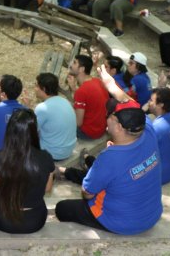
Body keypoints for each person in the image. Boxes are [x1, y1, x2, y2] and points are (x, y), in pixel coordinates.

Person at [55, 65, 163, 235]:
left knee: (62, 208)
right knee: (101, 175)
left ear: (118, 126)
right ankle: (72, 170)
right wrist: (108, 81)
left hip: (120, 222)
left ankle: (74, 170)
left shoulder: (110, 157)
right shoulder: (147, 129)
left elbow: (87, 194)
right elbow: (125, 98)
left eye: (110, 115)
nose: (107, 117)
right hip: (150, 214)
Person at [0, 108, 55, 234]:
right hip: (35, 221)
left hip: (3, 220)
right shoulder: (46, 157)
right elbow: (47, 188)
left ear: (9, 131)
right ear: (34, 131)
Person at [30, 73, 76, 161]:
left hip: (53, 153)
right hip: (68, 150)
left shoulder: (42, 107)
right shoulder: (65, 101)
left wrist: (26, 110)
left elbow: (31, 131)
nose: (34, 89)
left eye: (36, 86)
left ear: (43, 89)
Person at [66, 55, 109, 140]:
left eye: (74, 63)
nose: (70, 64)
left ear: (82, 69)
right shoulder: (97, 81)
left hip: (88, 133)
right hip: (101, 128)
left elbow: (78, 123)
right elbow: (86, 100)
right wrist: (74, 89)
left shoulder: (81, 91)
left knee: (61, 111)